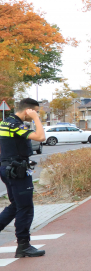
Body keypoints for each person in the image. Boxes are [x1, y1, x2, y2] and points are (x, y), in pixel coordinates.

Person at [0, 99, 46, 258]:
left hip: (8, 168)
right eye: (36, 111)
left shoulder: (5, 122)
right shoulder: (15, 125)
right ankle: (23, 245)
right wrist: (36, 119)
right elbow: (40, 137)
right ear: (28, 110)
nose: (37, 114)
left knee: (16, 205)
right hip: (17, 170)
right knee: (25, 208)